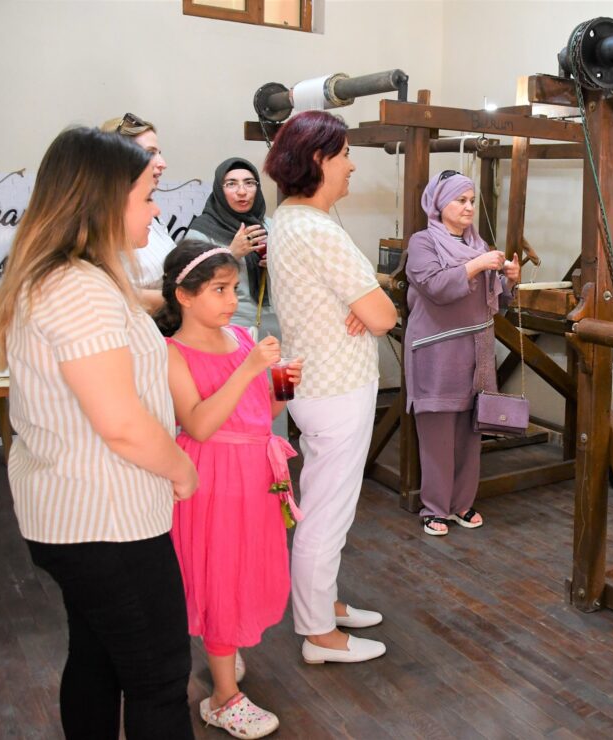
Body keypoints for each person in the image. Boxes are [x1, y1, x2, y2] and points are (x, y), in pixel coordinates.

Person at [0, 127, 198, 738]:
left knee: (98, 657)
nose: (155, 210)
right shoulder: (77, 289)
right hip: (107, 521)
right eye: (146, 196)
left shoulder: (73, 279)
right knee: (160, 680)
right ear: (104, 201)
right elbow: (122, 424)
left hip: (79, 517)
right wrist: (181, 468)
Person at [264, 111, 397, 665]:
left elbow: (366, 308)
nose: (351, 165)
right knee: (327, 512)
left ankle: (326, 603)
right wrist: (366, 309)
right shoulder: (318, 229)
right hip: (337, 387)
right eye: (344, 154)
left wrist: (362, 308)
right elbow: (385, 315)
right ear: (319, 160)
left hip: (315, 383)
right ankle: (319, 633)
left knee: (325, 503)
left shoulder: (286, 220)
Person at [155, 241, 301, 739]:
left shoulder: (240, 338)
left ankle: (224, 651)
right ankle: (222, 697)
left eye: (234, 289)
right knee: (219, 572)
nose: (231, 300)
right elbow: (198, 425)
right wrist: (249, 369)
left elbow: (262, 414)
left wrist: (284, 384)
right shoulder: (173, 353)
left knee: (245, 566)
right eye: (218, 289)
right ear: (184, 295)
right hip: (213, 475)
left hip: (255, 471)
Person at [404, 170, 520, 536]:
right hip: (436, 350)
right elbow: (435, 285)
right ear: (440, 203)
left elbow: (495, 298)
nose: (469, 207)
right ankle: (434, 507)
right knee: (437, 432)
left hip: (476, 350)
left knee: (472, 430)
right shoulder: (423, 242)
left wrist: (510, 279)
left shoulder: (479, 244)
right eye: (460, 200)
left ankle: (462, 504)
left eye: (471, 200)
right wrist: (478, 265)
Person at [185, 158, 278, 339]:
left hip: (274, 323)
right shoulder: (202, 231)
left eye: (249, 183)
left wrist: (278, 262)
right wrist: (231, 254)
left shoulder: (271, 225)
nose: (242, 191)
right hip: (227, 327)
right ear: (219, 190)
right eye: (231, 184)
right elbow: (189, 283)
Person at [101, 112, 174, 311]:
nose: (162, 163)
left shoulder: (152, 217)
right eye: (150, 153)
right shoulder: (99, 220)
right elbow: (110, 294)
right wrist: (182, 301)